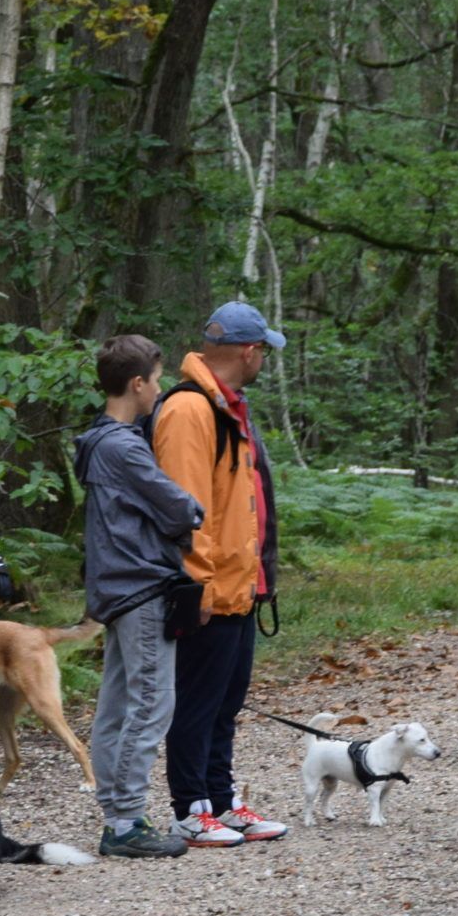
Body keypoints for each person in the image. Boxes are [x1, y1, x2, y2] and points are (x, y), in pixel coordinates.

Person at [153, 302, 291, 845]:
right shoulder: (191, 410)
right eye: (263, 351)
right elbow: (185, 507)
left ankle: (221, 798)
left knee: (225, 703)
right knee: (196, 703)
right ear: (248, 350)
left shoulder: (229, 405)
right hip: (209, 588)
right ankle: (189, 808)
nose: (263, 360)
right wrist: (200, 583)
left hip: (241, 583)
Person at [74, 334, 203, 860]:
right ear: (136, 383)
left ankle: (117, 811)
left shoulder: (99, 443)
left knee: (118, 705)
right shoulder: (125, 446)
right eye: (155, 379)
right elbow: (180, 507)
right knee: (151, 703)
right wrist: (188, 517)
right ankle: (126, 821)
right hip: (139, 585)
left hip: (116, 587)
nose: (159, 389)